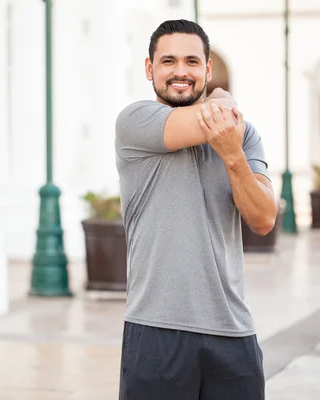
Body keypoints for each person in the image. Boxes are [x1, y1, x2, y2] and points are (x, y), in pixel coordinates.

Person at [114, 19, 278, 400]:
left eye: (191, 61)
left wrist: (233, 155)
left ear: (206, 68)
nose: (180, 72)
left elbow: (263, 218)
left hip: (234, 334)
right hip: (156, 333)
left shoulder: (245, 135)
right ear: (149, 68)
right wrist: (224, 102)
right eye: (168, 61)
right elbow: (210, 119)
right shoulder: (135, 122)